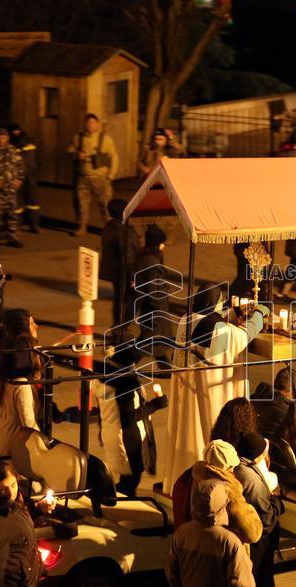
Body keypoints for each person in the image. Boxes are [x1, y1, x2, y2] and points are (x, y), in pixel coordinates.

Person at [163, 287, 269, 491]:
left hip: (188, 389)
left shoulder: (185, 320)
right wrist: (259, 314)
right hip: (208, 393)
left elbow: (214, 324)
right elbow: (243, 335)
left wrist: (231, 314)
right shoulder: (217, 328)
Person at [91, 346, 169, 496]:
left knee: (127, 478)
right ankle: (117, 504)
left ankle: (114, 499)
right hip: (127, 439)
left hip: (112, 433)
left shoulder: (104, 380)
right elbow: (129, 417)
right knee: (130, 480)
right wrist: (155, 404)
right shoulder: (123, 385)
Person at [233, 432, 286, 587]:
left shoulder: (240, 466)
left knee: (259, 579)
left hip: (252, 535)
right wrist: (277, 503)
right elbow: (265, 515)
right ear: (257, 455)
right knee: (261, 579)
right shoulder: (252, 479)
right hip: (260, 537)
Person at [0, 309, 41, 460]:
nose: (36, 326)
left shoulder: (1, 378)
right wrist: (46, 447)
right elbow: (28, 424)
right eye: (31, 323)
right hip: (18, 447)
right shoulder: (21, 384)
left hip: (4, 438)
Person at [69, 113, 119, 237]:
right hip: (83, 178)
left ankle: (110, 229)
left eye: (93, 122)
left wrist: (111, 175)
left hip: (101, 178)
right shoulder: (78, 138)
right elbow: (69, 151)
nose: (90, 125)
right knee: (81, 204)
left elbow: (114, 157)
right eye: (88, 123)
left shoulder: (106, 139)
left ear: (97, 124)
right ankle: (82, 226)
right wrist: (76, 154)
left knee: (106, 205)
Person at [133, 223, 174, 366]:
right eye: (162, 243)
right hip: (154, 308)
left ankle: (164, 366)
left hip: (150, 307)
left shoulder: (147, 258)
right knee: (150, 339)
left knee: (153, 338)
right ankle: (123, 363)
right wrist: (161, 297)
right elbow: (153, 288)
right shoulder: (152, 263)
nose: (164, 246)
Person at [99, 198, 140, 329]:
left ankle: (118, 325)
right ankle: (121, 328)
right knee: (126, 301)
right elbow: (129, 256)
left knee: (118, 299)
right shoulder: (124, 231)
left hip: (114, 271)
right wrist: (133, 276)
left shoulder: (109, 227)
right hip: (124, 272)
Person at [9, 123, 41, 233]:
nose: (16, 133)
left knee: (33, 202)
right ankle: (18, 225)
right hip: (17, 177)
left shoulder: (31, 141)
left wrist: (37, 171)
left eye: (17, 131)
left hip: (31, 176)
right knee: (17, 202)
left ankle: (34, 224)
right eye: (13, 131)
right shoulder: (10, 144)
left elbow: (38, 157)